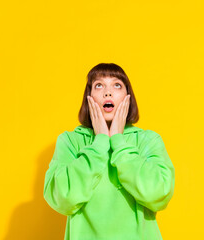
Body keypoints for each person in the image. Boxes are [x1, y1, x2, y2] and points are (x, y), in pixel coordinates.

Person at [43, 63, 175, 240]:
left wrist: (119, 142)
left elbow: (159, 193)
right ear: (88, 97)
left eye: (117, 85)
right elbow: (63, 199)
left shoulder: (147, 140)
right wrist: (100, 143)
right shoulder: (70, 141)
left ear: (128, 97)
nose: (108, 92)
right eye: (99, 85)